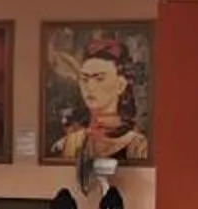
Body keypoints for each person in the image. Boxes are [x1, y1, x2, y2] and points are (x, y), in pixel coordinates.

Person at [51, 33, 149, 163]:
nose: (90, 87)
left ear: (121, 85)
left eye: (99, 79)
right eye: (84, 79)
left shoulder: (139, 146)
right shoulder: (70, 143)